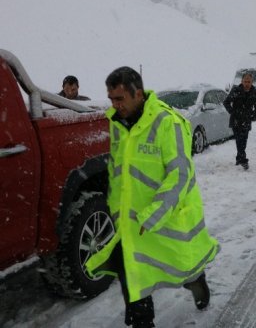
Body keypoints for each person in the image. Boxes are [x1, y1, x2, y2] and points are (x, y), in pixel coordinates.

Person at [85, 66, 219, 328]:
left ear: (138, 94)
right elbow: (117, 170)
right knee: (131, 271)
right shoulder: (116, 124)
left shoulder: (168, 122)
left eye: (120, 99)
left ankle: (197, 283)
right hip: (130, 221)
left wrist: (154, 213)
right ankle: (142, 319)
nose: (115, 105)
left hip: (164, 217)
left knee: (182, 264)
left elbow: (180, 175)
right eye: (111, 99)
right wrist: (115, 209)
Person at [223, 72, 256, 170]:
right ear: (242, 81)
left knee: (243, 140)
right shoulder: (236, 90)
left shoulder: (255, 92)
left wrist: (253, 115)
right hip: (236, 120)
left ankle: (239, 158)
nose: (247, 83)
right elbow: (226, 102)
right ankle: (243, 160)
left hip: (247, 120)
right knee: (239, 140)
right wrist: (232, 112)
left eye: (249, 81)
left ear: (252, 82)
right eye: (245, 81)